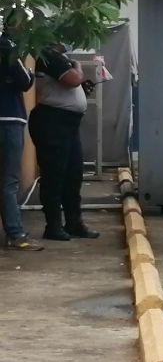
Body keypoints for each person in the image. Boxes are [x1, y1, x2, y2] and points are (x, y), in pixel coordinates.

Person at [29, 44, 99, 241]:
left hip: (68, 122)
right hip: (53, 122)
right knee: (54, 174)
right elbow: (73, 79)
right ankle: (53, 226)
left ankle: (74, 223)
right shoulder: (49, 56)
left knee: (73, 174)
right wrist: (78, 66)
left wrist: (82, 90)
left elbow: (70, 87)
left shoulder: (60, 60)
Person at [0, 31, 43, 251]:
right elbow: (25, 81)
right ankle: (15, 234)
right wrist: (30, 70)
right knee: (9, 181)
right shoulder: (7, 46)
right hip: (8, 120)